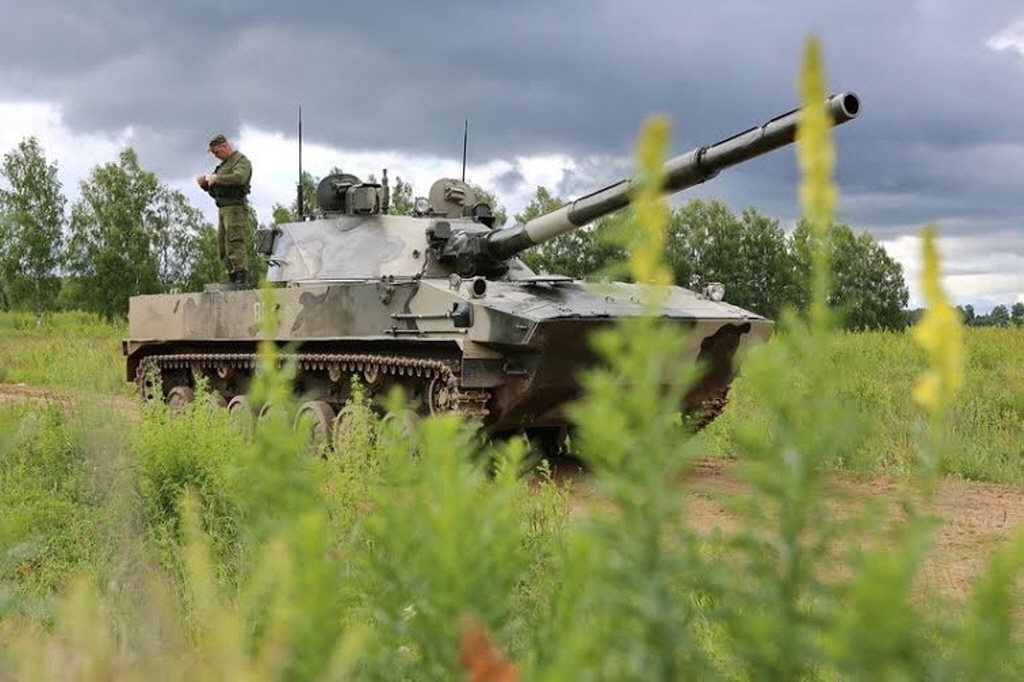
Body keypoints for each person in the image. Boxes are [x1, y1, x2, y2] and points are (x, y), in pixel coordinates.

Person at [197, 134, 252, 285]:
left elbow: (240, 178)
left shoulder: (240, 161)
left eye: (217, 152)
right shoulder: (223, 166)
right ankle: (232, 273)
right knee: (222, 246)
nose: (216, 156)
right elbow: (217, 192)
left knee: (234, 241)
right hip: (223, 208)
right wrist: (205, 186)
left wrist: (218, 179)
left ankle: (241, 274)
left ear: (225, 146)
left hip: (235, 208)